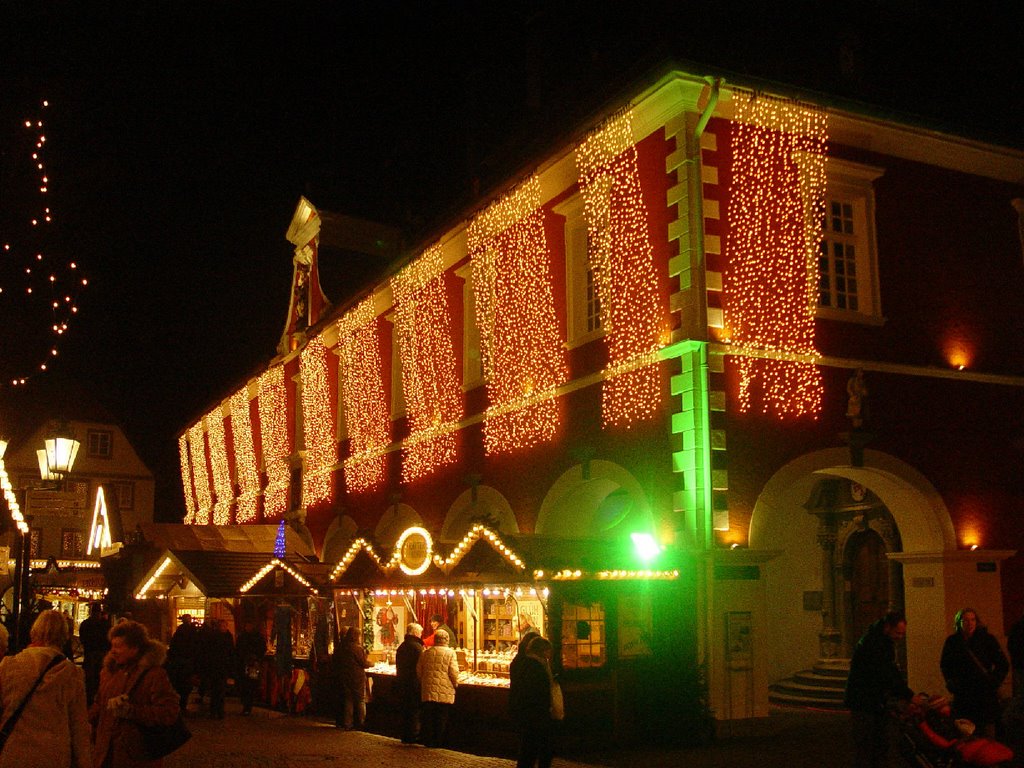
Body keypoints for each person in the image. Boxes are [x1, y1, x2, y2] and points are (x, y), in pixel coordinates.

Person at [0, 609, 91, 768]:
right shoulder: (72, 674)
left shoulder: (8, 666)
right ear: (64, 636)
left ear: (34, 632)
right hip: (53, 755)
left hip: (14, 752)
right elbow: (79, 729)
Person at [90, 619, 181, 768]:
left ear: (135, 648)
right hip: (105, 753)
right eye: (112, 645)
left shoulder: (154, 674)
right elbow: (99, 703)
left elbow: (169, 712)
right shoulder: (108, 672)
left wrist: (132, 711)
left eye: (118, 646)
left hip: (137, 756)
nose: (113, 651)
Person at [844, 610, 912, 768]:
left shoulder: (880, 639)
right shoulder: (874, 643)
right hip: (864, 701)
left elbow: (890, 671)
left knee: (878, 744)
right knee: (866, 746)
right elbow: (885, 672)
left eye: (902, 634)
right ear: (888, 627)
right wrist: (907, 694)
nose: (900, 637)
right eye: (898, 633)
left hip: (873, 700)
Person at [940, 607, 1009, 738]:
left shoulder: (987, 640)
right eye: (965, 620)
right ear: (959, 623)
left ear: (977, 621)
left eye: (972, 619)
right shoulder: (953, 642)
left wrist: (993, 682)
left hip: (984, 694)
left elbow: (1002, 664)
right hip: (963, 694)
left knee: (986, 732)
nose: (970, 623)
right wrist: (951, 683)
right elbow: (945, 665)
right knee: (965, 731)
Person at [509, 636, 562, 768]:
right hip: (536, 714)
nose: (550, 655)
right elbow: (538, 691)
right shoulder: (536, 667)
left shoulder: (523, 663)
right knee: (537, 747)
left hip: (525, 713)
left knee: (528, 747)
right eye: (548, 651)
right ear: (543, 651)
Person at [416, 627, 459, 747]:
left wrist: (424, 682)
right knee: (441, 717)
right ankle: (438, 742)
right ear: (446, 640)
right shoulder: (450, 653)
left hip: (428, 689)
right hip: (444, 690)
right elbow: (453, 672)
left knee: (429, 716)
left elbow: (419, 670)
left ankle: (428, 741)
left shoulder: (426, 652)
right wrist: (455, 684)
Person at [332, 626, 370, 729]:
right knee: (360, 700)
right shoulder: (357, 648)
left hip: (345, 677)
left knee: (348, 700)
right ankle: (361, 723)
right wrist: (372, 663)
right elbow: (363, 663)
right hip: (357, 678)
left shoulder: (342, 647)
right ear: (357, 636)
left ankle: (347, 723)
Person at [195, 618, 233, 719]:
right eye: (222, 626)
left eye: (225, 626)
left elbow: (231, 652)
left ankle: (219, 710)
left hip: (222, 666)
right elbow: (208, 652)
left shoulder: (228, 637)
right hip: (215, 666)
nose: (224, 628)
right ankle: (215, 710)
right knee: (216, 689)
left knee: (220, 689)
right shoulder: (213, 637)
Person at [395, 622, 425, 744]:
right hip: (414, 684)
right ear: (415, 633)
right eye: (420, 633)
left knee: (405, 710)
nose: (421, 635)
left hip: (402, 682)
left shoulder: (402, 646)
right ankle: (413, 735)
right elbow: (421, 667)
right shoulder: (417, 648)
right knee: (414, 710)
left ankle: (405, 735)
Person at [78, 603, 111, 706]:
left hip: (90, 654)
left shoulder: (85, 624)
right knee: (100, 678)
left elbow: (82, 639)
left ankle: (89, 700)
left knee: (89, 678)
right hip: (101, 654)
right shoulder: (105, 624)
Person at [165, 614, 198, 710]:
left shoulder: (179, 632)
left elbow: (173, 646)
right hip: (186, 662)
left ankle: (179, 705)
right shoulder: (192, 632)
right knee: (185, 685)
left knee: (179, 684)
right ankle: (182, 705)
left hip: (179, 662)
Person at [234, 619, 266, 716]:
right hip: (245, 664)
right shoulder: (243, 637)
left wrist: (255, 658)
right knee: (245, 685)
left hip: (251, 665)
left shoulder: (255, 637)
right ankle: (246, 705)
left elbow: (262, 649)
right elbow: (238, 650)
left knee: (250, 685)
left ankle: (248, 706)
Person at [1007, 611, 1024, 699]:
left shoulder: (1016, 627)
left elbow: (1011, 647)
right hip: (1020, 667)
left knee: (1020, 696)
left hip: (1019, 666)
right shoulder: (1018, 628)